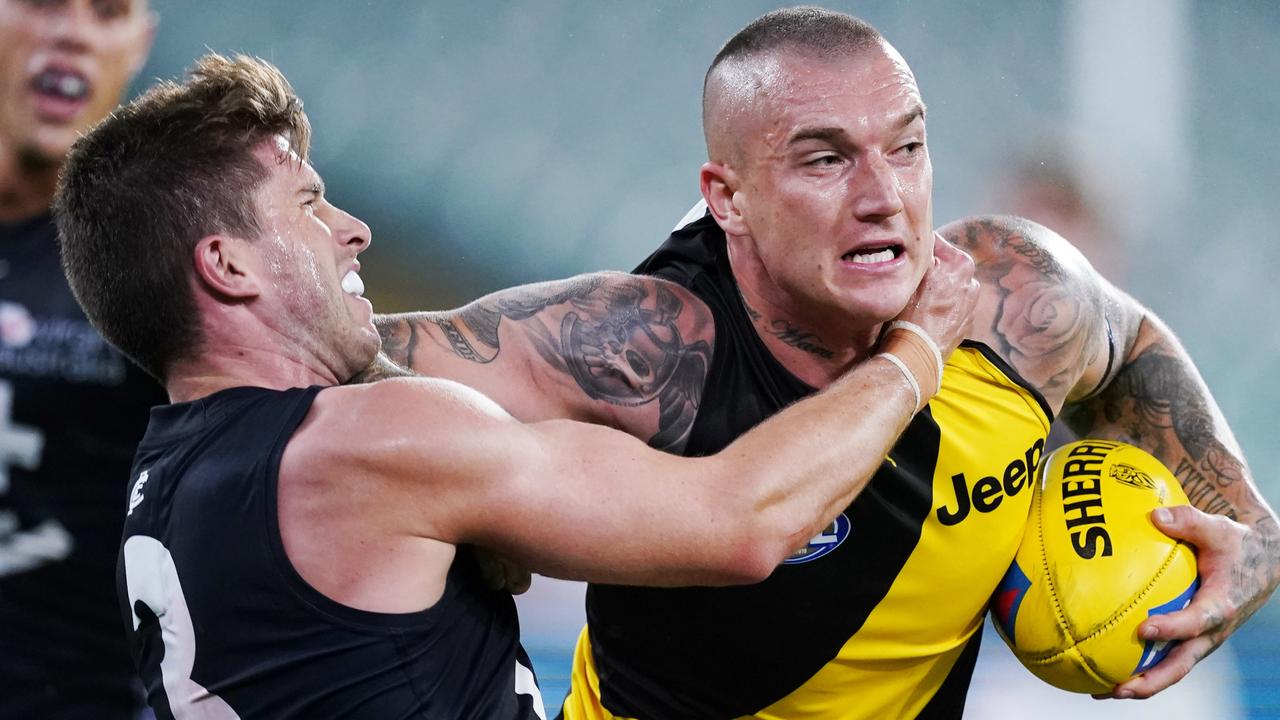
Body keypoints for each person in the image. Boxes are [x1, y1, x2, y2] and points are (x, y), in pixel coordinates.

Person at [373, 7, 1280, 718]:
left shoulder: (1016, 305)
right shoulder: (640, 349)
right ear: (727, 199)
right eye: (826, 160)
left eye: (909, 147)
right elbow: (336, 364)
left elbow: (1129, 345)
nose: (883, 197)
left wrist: (1251, 528)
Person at [52, 52, 980, 719]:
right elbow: (740, 526)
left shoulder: (170, 475)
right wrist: (918, 348)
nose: (354, 228)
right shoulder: (362, 443)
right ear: (227, 265)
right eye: (306, 205)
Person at [0, 0, 159, 716]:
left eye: (108, 12)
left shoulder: (165, 262)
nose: (73, 33)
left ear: (139, 44)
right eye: (42, 2)